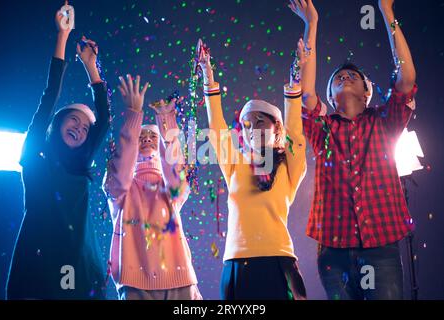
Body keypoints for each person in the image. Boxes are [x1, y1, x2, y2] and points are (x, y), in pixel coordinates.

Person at [291, 0, 417, 299]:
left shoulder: (385, 122)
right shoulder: (323, 129)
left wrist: (387, 13)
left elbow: (407, 77)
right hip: (333, 253)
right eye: (337, 78)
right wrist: (311, 23)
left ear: (366, 93)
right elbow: (305, 94)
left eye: (353, 76)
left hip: (381, 250)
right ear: (332, 98)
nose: (344, 77)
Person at [6, 3, 110, 299]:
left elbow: (103, 121)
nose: (79, 128)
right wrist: (63, 36)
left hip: (79, 265)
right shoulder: (34, 158)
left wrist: (92, 66)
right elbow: (49, 95)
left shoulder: (80, 166)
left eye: (84, 129)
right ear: (56, 125)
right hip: (38, 261)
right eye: (73, 121)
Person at [199, 38, 308, 300]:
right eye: (246, 125)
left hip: (278, 263)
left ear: (277, 129)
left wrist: (294, 83)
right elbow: (216, 128)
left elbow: (296, 130)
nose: (252, 129)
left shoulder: (289, 164)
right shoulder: (236, 164)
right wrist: (207, 74)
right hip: (236, 264)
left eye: (260, 122)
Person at [103, 74, 201, 300]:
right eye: (142, 135)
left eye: (152, 135)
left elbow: (175, 171)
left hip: (181, 282)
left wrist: (166, 121)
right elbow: (119, 175)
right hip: (135, 285)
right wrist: (133, 116)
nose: (147, 137)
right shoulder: (121, 190)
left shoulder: (170, 188)